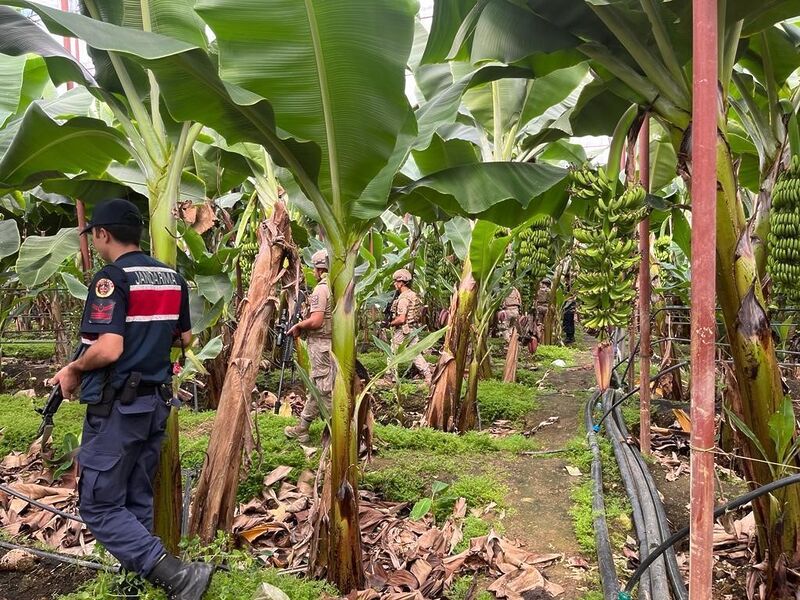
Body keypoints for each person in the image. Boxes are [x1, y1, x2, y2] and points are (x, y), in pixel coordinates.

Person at [50, 198, 212, 600]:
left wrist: (72, 370)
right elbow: (187, 339)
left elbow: (108, 348)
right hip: (154, 404)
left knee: (101, 505)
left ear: (103, 234)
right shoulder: (172, 278)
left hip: (118, 407)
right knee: (135, 498)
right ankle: (134, 588)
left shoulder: (111, 279)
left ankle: (179, 576)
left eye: (95, 237)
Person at [284, 249, 334, 444]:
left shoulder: (322, 289)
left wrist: (299, 325)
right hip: (332, 344)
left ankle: (338, 430)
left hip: (321, 344)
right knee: (318, 386)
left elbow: (316, 321)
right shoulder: (338, 285)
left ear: (319, 268)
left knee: (323, 388)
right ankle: (303, 428)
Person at [388, 269, 432, 385]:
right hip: (411, 329)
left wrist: (390, 323)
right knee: (415, 353)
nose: (394, 284)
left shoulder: (403, 299)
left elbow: (402, 319)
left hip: (403, 331)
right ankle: (428, 375)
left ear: (401, 282)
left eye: (396, 282)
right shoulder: (412, 295)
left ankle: (390, 377)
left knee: (392, 352)